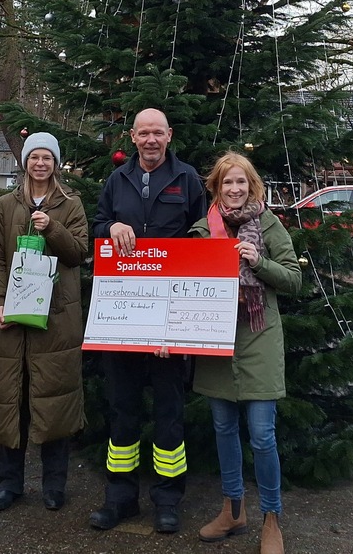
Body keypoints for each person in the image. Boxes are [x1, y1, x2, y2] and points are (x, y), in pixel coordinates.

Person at [90, 108, 206, 534]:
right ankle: (119, 498)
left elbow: (202, 235)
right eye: (144, 133)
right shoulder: (116, 180)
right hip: (123, 315)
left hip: (170, 316)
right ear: (133, 138)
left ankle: (167, 500)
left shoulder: (188, 179)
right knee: (121, 407)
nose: (151, 140)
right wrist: (111, 226)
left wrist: (178, 322)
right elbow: (96, 226)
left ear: (169, 136)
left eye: (158, 133)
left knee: (169, 409)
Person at [190, 151, 301, 554]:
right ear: (216, 189)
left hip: (258, 339)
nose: (234, 189)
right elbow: (185, 289)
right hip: (216, 341)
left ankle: (272, 519)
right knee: (223, 429)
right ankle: (233, 509)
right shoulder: (203, 230)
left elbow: (294, 279)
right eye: (226, 183)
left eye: (241, 182)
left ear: (251, 185)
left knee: (261, 434)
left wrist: (260, 262)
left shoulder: (267, 224)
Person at [0, 132, 88, 513]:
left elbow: (79, 253)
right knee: (11, 401)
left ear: (55, 163)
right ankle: (9, 486)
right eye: (34, 157)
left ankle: (53, 486)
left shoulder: (70, 204)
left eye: (47, 157)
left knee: (54, 403)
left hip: (56, 323)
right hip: (11, 322)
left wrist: (53, 229)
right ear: (25, 162)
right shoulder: (6, 206)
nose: (40, 163)